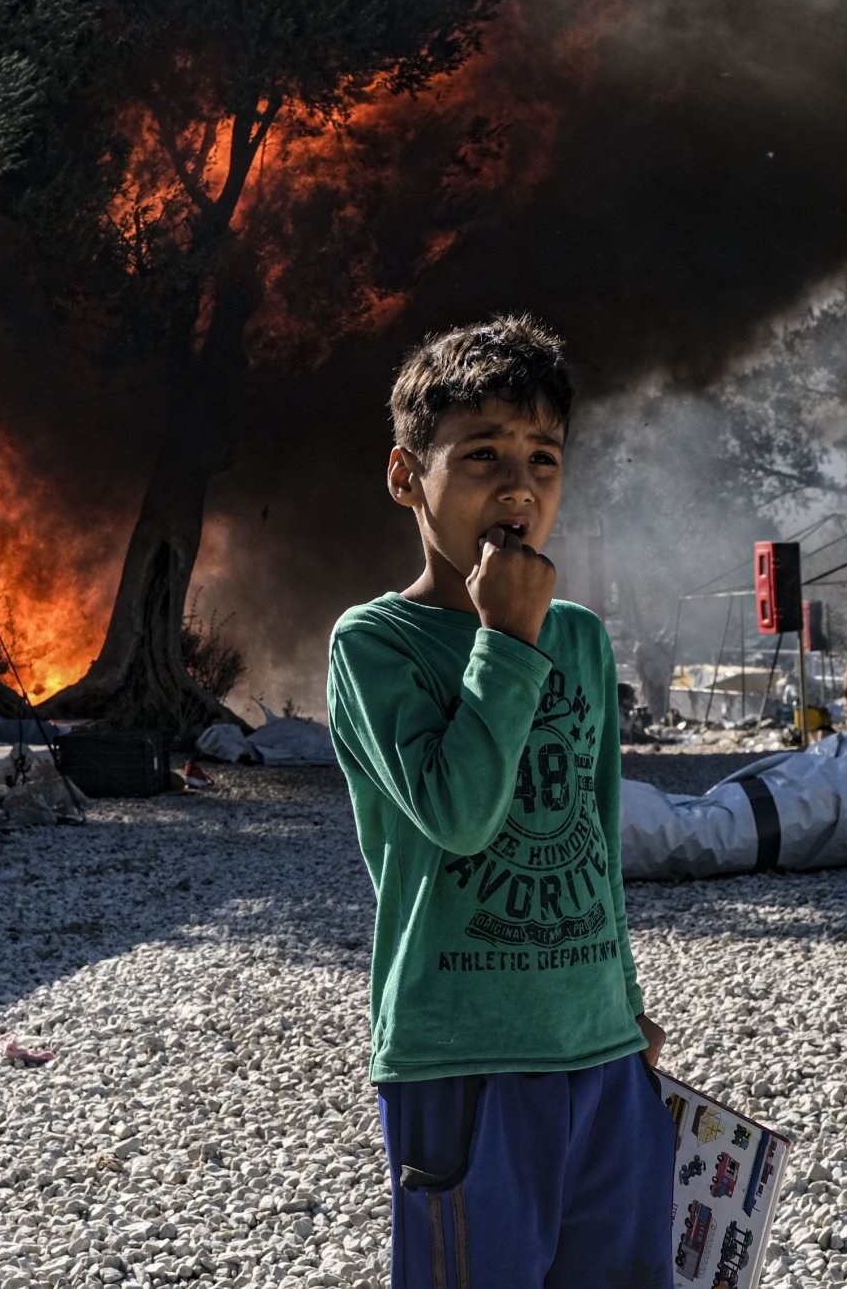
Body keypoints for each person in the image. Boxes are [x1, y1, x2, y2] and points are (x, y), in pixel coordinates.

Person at [327, 314, 670, 1288]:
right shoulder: (373, 644)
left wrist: (624, 1006)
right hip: (460, 1062)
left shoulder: (584, 640)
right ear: (406, 477)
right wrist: (505, 639)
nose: (518, 486)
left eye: (543, 458)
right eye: (480, 455)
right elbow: (459, 811)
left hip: (600, 1054)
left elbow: (596, 841)